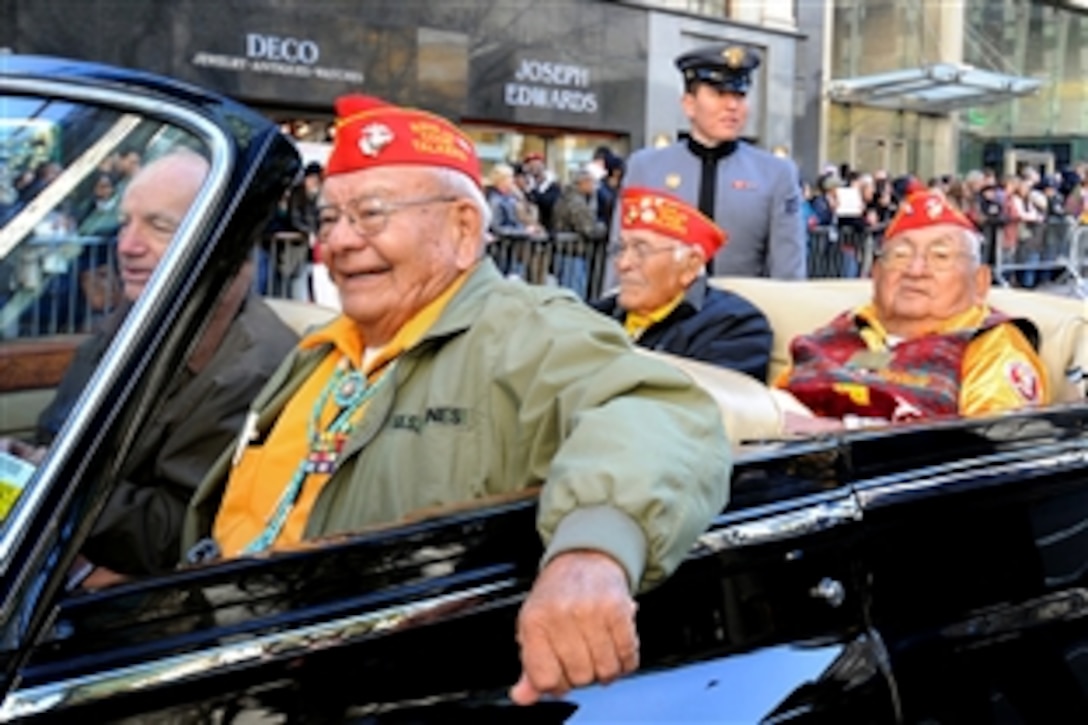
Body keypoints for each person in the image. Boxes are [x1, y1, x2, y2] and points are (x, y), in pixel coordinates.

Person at [183, 94, 730, 706]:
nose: (337, 241)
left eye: (370, 214)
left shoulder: (523, 329)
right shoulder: (318, 350)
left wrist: (593, 550)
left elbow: (659, 411)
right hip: (215, 667)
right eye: (328, 217)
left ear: (464, 229)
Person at [1, 150, 299, 585]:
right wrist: (26, 464)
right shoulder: (138, 317)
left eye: (158, 227)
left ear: (223, 239)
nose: (127, 245)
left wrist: (45, 484)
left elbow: (175, 532)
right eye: (125, 222)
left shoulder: (251, 366)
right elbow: (56, 432)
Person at [776, 184, 1049, 433]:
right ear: (876, 274)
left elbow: (991, 454)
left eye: (940, 256)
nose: (915, 271)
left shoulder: (990, 344)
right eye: (900, 256)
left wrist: (839, 431)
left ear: (980, 282)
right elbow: (771, 404)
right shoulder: (848, 326)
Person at [617, 43, 805, 279]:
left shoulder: (776, 174)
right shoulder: (646, 168)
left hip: (743, 312)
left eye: (739, 95)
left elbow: (788, 270)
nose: (732, 106)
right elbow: (621, 257)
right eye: (718, 94)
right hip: (665, 313)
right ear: (689, 104)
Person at [593, 187, 771, 380]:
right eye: (621, 248)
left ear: (690, 265)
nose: (623, 264)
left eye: (641, 250)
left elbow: (703, 403)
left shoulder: (734, 327)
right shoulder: (595, 315)